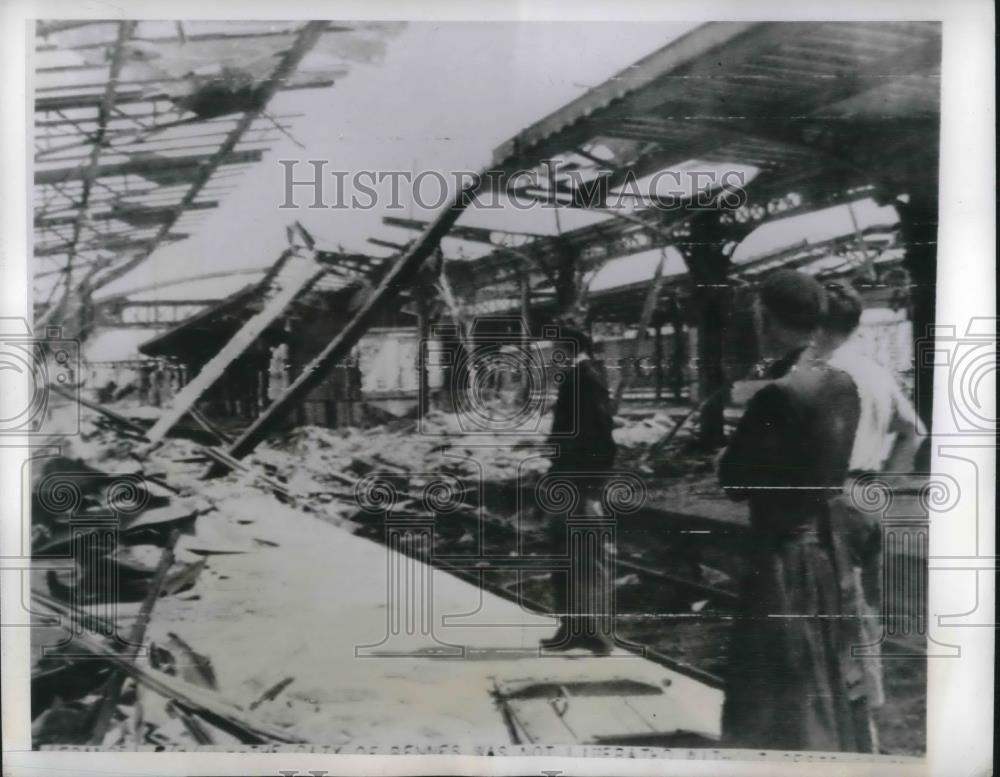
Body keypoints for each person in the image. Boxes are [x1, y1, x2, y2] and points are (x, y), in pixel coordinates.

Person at [717, 270, 871, 752]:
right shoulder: (842, 384)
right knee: (820, 672)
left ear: (768, 320)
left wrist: (727, 455)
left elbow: (735, 482)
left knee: (773, 685)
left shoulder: (776, 395)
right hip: (823, 551)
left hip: (777, 557)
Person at [811, 281, 927, 751]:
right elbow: (913, 432)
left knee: (828, 616)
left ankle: (850, 735)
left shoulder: (818, 373)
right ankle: (862, 723)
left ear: (814, 321)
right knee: (860, 611)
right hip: (865, 499)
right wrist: (884, 483)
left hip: (828, 503)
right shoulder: (875, 371)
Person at [539, 319, 617, 654]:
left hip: (579, 485)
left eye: (554, 348)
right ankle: (570, 629)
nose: (551, 354)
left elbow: (602, 439)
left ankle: (596, 634)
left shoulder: (586, 378)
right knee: (563, 557)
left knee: (585, 559)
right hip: (565, 481)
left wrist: (591, 488)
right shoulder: (575, 376)